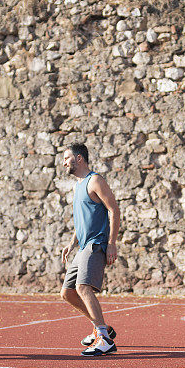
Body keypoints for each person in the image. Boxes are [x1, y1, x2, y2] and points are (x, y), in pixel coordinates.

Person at [59, 143, 121, 356]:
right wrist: (71, 244)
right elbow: (82, 221)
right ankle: (100, 328)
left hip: (96, 244)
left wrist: (111, 243)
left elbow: (114, 211)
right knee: (67, 293)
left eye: (67, 158)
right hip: (83, 246)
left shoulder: (95, 181)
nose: (64, 162)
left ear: (79, 159)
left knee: (83, 287)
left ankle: (104, 338)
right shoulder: (78, 186)